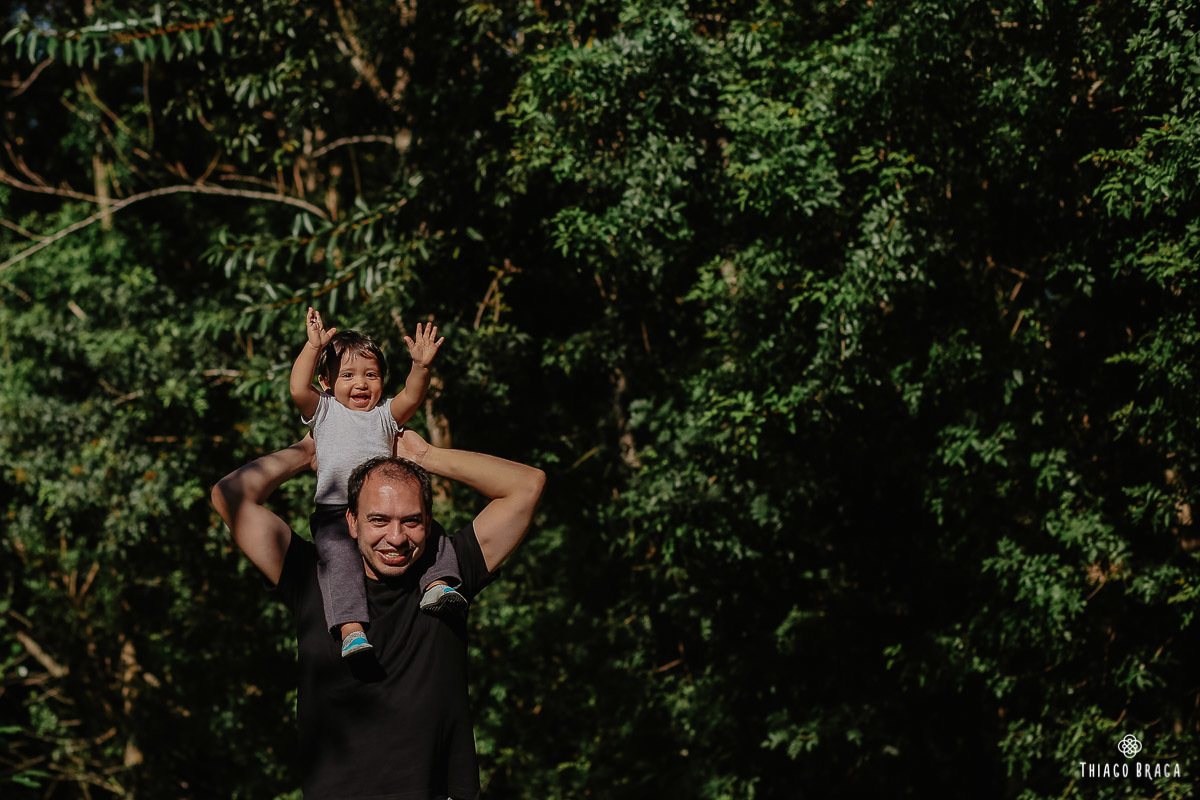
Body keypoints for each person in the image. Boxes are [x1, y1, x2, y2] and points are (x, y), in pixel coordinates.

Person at [210, 427, 546, 800]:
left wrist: (427, 457)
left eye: (412, 521)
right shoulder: (310, 575)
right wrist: (308, 451)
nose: (397, 537)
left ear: (429, 521)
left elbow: (527, 485)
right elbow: (229, 496)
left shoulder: (449, 572)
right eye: (379, 520)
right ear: (352, 522)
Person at [289, 306, 463, 658]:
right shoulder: (324, 411)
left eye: (371, 375)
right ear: (326, 382)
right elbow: (296, 389)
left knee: (433, 534)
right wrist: (313, 347)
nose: (361, 383)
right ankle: (352, 630)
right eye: (348, 375)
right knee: (339, 566)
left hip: (386, 509)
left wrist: (421, 367)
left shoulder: (385, 414)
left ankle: (438, 584)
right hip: (337, 512)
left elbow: (412, 396)